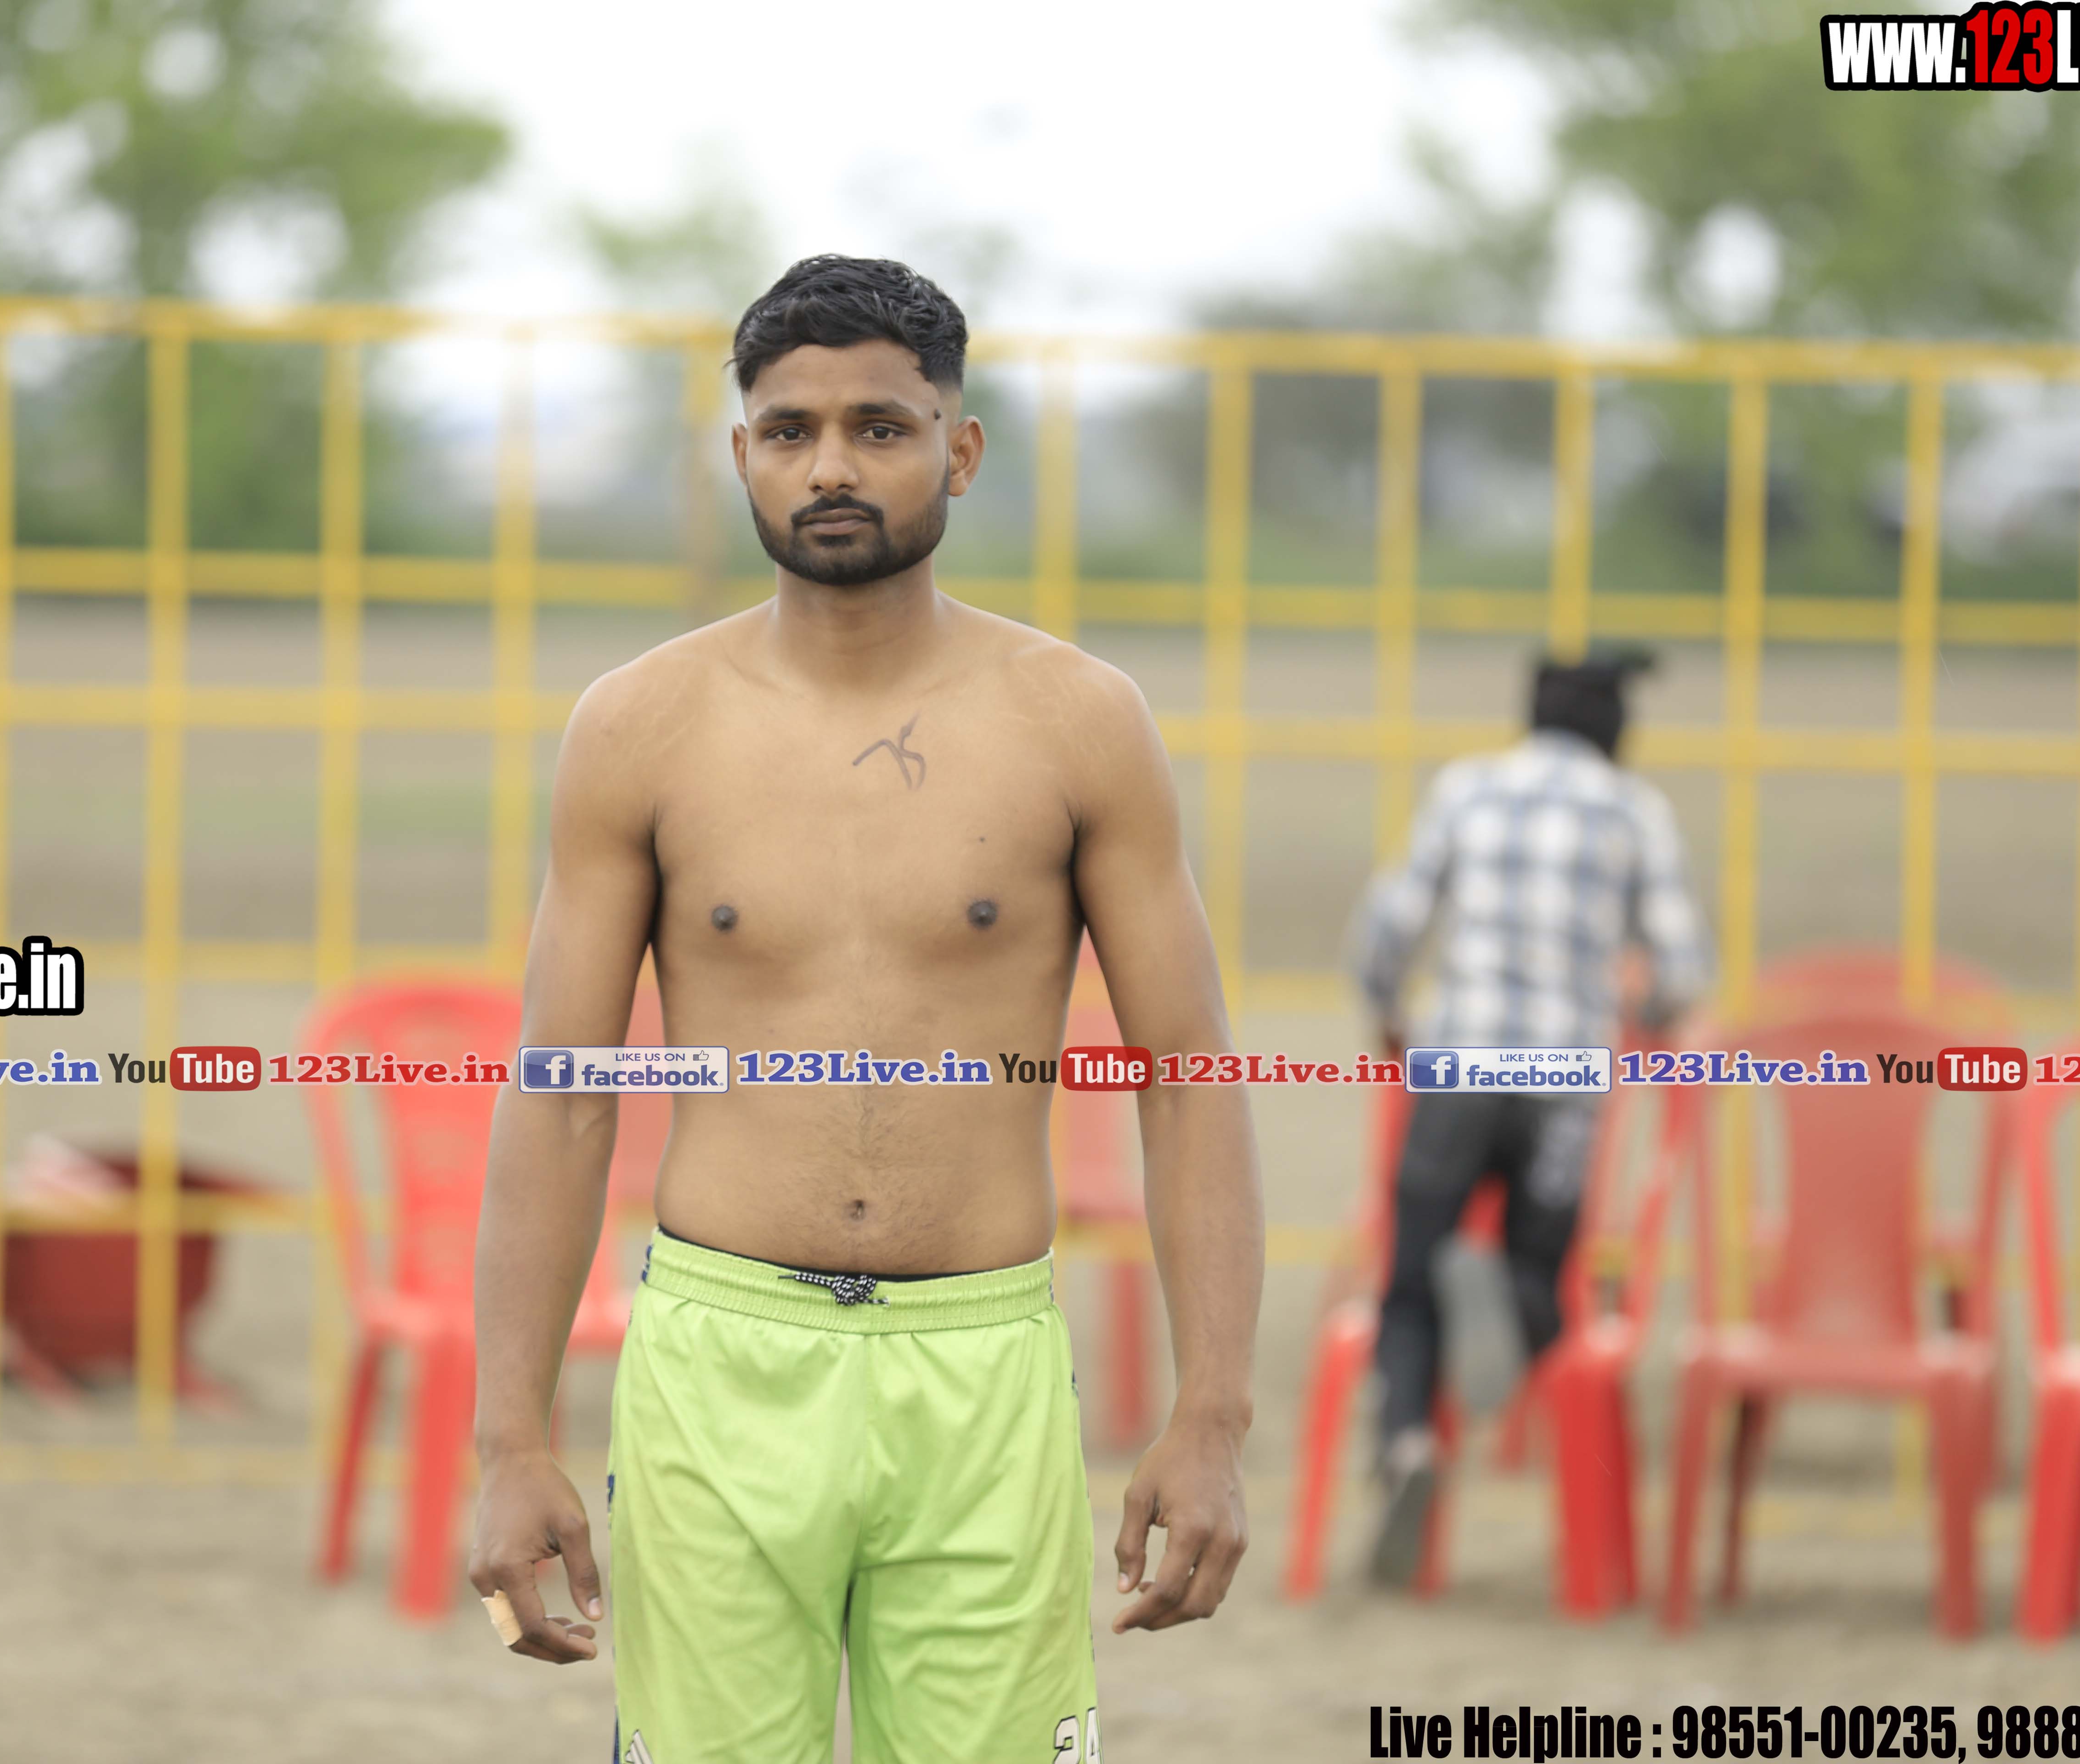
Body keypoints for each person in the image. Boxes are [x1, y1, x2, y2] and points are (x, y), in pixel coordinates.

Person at [466, 255, 1263, 1764]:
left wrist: (1211, 1414)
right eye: (791, 431)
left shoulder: (1079, 721)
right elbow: (562, 1094)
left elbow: (1189, 1077)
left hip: (982, 1365)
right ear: (743, 455)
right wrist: (511, 1438)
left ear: (960, 451)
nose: (830, 467)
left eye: (879, 427)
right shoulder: (639, 725)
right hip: (719, 1366)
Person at [1343, 646, 1706, 1589]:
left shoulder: (1467, 789)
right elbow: (1680, 971)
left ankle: (1408, 1440)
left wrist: (1390, 1014)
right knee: (1543, 1274)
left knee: (1411, 1278)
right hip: (1562, 1082)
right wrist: (1647, 1008)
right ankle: (1504, 1299)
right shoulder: (1634, 811)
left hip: (1456, 1065)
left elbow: (1386, 930)